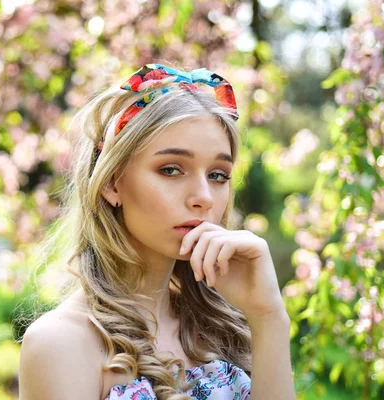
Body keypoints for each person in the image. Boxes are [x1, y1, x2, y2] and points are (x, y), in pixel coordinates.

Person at [18, 63, 296, 399]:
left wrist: (268, 317)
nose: (203, 198)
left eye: (218, 175)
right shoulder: (63, 344)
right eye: (171, 169)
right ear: (111, 183)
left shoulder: (226, 327)